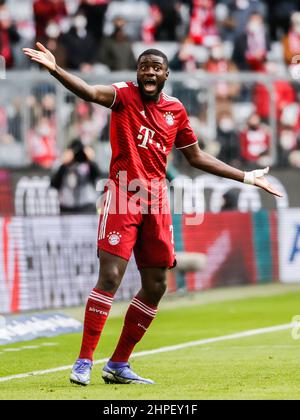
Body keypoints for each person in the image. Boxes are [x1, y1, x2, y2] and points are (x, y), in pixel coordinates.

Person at [23, 42, 282, 386]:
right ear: (137, 72)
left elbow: (197, 157)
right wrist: (56, 69)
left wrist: (247, 176)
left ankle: (118, 364)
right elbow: (88, 91)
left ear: (166, 75)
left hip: (157, 202)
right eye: (144, 66)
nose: (149, 72)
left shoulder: (176, 110)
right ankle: (84, 360)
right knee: (111, 277)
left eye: (156, 68)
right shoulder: (123, 95)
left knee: (157, 285)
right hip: (123, 195)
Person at [50, 139, 101, 214]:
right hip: (66, 207)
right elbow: (54, 184)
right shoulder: (62, 166)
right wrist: (64, 163)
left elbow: (98, 175)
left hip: (87, 207)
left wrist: (89, 160)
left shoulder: (89, 165)